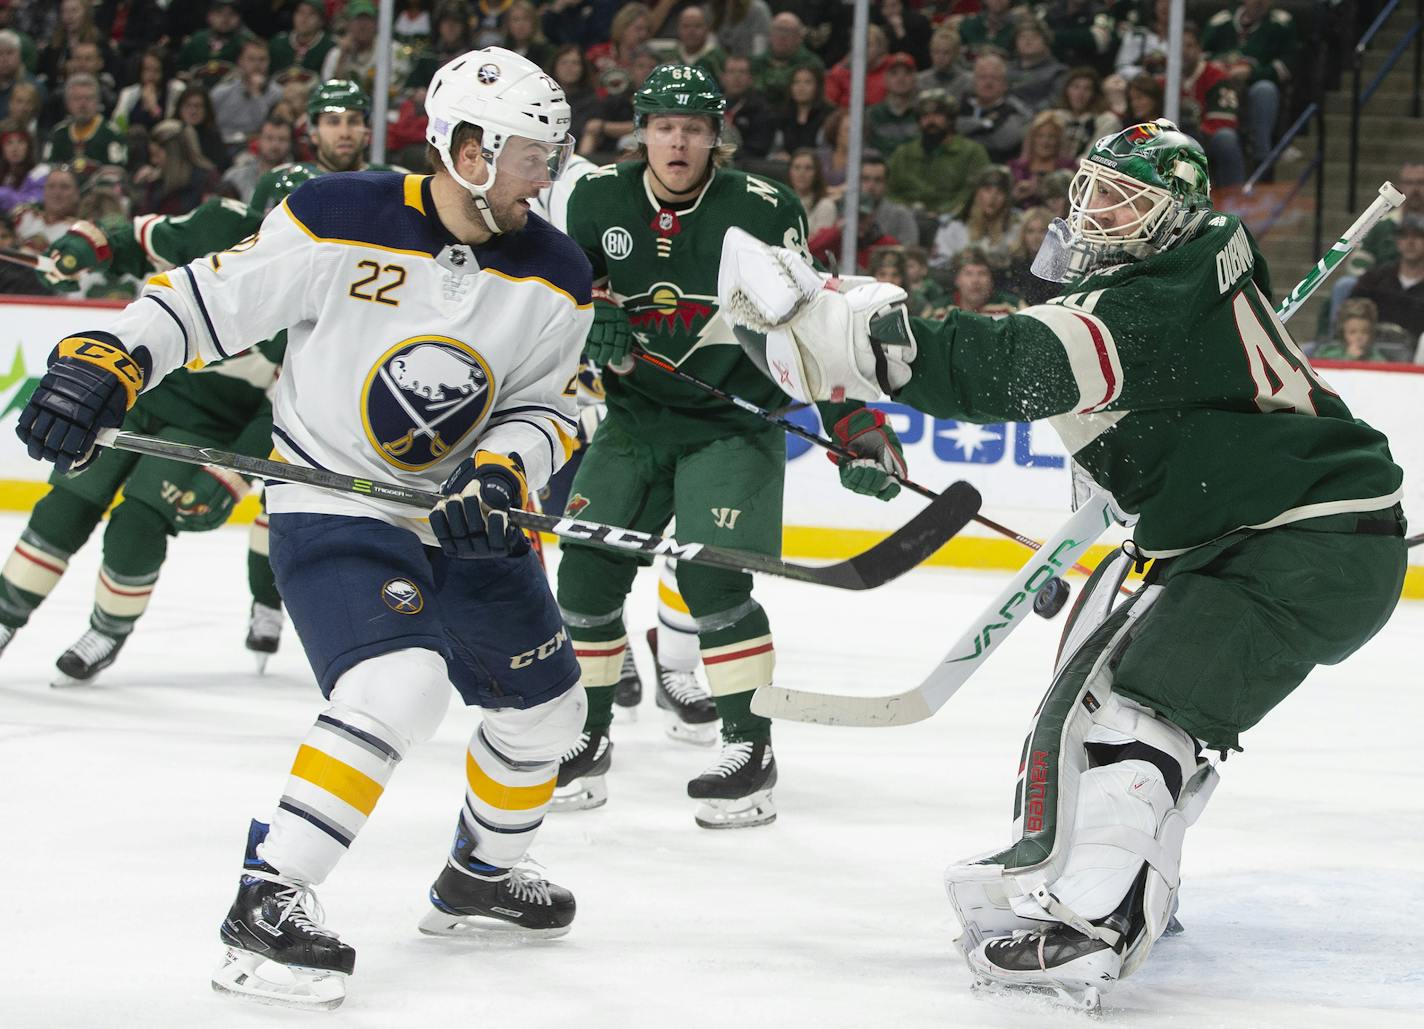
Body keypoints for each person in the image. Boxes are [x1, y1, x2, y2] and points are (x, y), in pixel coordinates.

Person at [718, 118, 1406, 1011]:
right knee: (1108, 694)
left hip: (1302, 544)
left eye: (1129, 200)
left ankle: (1098, 925)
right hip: (1255, 537)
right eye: (1096, 189)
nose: (1100, 212)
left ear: (1178, 214)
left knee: (1138, 709)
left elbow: (1011, 367)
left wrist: (849, 338)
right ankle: (1130, 871)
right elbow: (1106, 438)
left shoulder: (1158, 296)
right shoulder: (1188, 269)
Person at [13, 47, 593, 1009]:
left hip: (466, 518)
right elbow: (204, 300)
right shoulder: (342, 214)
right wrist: (105, 358)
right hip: (338, 498)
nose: (552, 171)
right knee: (399, 681)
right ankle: (266, 901)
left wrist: (505, 467)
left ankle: (478, 878)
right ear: (468, 150)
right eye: (536, 153)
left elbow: (555, 406)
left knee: (549, 712)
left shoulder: (558, 269)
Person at [552, 64, 900, 827]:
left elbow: (807, 319)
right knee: (583, 579)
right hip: (635, 421)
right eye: (664, 127)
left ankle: (749, 749)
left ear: (719, 136)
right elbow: (554, 291)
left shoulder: (762, 206)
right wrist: (586, 314)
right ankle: (585, 736)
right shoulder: (594, 198)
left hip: (732, 425)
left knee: (713, 585)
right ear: (641, 130)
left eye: (695, 128)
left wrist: (851, 424)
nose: (678, 142)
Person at [37, 81, 400, 666]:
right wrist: (89, 244)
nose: (344, 131)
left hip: (280, 409)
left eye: (353, 119)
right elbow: (139, 242)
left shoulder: (379, 211)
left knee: (276, 505)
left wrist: (232, 471)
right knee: (63, 506)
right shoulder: (233, 222)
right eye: (331, 119)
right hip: (164, 400)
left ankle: (269, 602)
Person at [1203, 0, 1301, 165]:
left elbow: (1287, 66)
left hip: (1255, 89)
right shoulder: (1220, 22)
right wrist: (1218, 67)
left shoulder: (1281, 24)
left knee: (1265, 90)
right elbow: (1201, 56)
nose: (1259, 2)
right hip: (1221, 87)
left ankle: (1262, 158)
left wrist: (1252, 73)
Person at [887, 89, 990, 216]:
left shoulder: (972, 152)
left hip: (954, 223)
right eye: (925, 116)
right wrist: (907, 211)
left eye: (937, 115)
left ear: (950, 119)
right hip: (907, 220)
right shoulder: (903, 153)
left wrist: (943, 213)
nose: (931, 121)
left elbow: (974, 193)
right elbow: (889, 192)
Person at [1349, 214, 1424, 344]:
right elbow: (1351, 313)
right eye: (1404, 236)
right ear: (1398, 242)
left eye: (1417, 236)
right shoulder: (1375, 278)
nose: (1410, 242)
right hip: (1370, 349)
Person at [932, 164, 1022, 269]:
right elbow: (939, 263)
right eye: (987, 190)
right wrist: (958, 260)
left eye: (1000, 192)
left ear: (1007, 198)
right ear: (977, 193)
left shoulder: (1016, 226)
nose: (993, 198)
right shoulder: (954, 227)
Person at [42, 73, 126, 174]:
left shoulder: (112, 133)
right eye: (77, 99)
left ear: (98, 101)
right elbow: (47, 168)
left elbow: (118, 170)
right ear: (67, 103)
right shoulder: (58, 133)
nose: (83, 104)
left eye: (88, 98)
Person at [957, 53, 1032, 164]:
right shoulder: (959, 106)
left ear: (1005, 84)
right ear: (973, 81)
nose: (988, 83)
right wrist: (986, 124)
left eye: (995, 78)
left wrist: (969, 133)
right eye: (982, 77)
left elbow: (1003, 142)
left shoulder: (1015, 111)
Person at [211, 38, 284, 153]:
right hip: (221, 145)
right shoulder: (222, 92)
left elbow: (264, 127)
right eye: (251, 59)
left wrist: (256, 95)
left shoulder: (277, 94)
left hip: (256, 148)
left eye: (262, 60)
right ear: (240, 61)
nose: (257, 64)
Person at [1008, 109, 1076, 207]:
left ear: (1059, 141)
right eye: (1040, 136)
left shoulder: (1069, 169)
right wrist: (1015, 196)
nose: (1045, 142)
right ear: (1032, 139)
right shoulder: (1015, 168)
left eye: (1051, 137)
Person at [753, 11, 820, 107]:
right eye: (778, 30)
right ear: (770, 35)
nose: (782, 36)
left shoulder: (812, 65)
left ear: (799, 37)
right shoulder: (755, 62)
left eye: (788, 31)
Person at [221, 114, 295, 203]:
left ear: (291, 143)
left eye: (282, 139)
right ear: (259, 140)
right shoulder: (234, 177)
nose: (275, 145)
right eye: (269, 138)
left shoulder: (298, 181)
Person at [866, 53, 921, 159]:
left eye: (907, 73)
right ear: (885, 78)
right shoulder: (872, 114)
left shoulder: (924, 114)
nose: (901, 78)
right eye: (894, 73)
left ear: (915, 79)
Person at [768, 64, 831, 158]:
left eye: (807, 82)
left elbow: (828, 152)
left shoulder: (829, 115)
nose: (801, 87)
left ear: (818, 87)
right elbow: (774, 149)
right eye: (796, 82)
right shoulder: (781, 114)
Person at [269, 0, 335, 78]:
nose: (304, 18)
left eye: (311, 14)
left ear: (321, 21)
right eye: (300, 12)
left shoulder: (330, 46)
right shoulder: (278, 43)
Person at [1311, 297, 1390, 362]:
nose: (1359, 337)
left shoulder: (1376, 358)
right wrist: (1349, 357)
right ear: (1342, 332)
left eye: (1364, 332)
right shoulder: (1327, 352)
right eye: (1352, 332)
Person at [787, 146, 836, 235]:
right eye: (797, 167)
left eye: (808, 168)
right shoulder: (781, 202)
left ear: (817, 173)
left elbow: (819, 243)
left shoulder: (825, 205)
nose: (802, 173)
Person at [673, 5, 728, 80]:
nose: (691, 32)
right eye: (686, 26)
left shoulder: (717, 58)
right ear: (678, 29)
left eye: (697, 26)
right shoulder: (670, 56)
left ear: (707, 29)